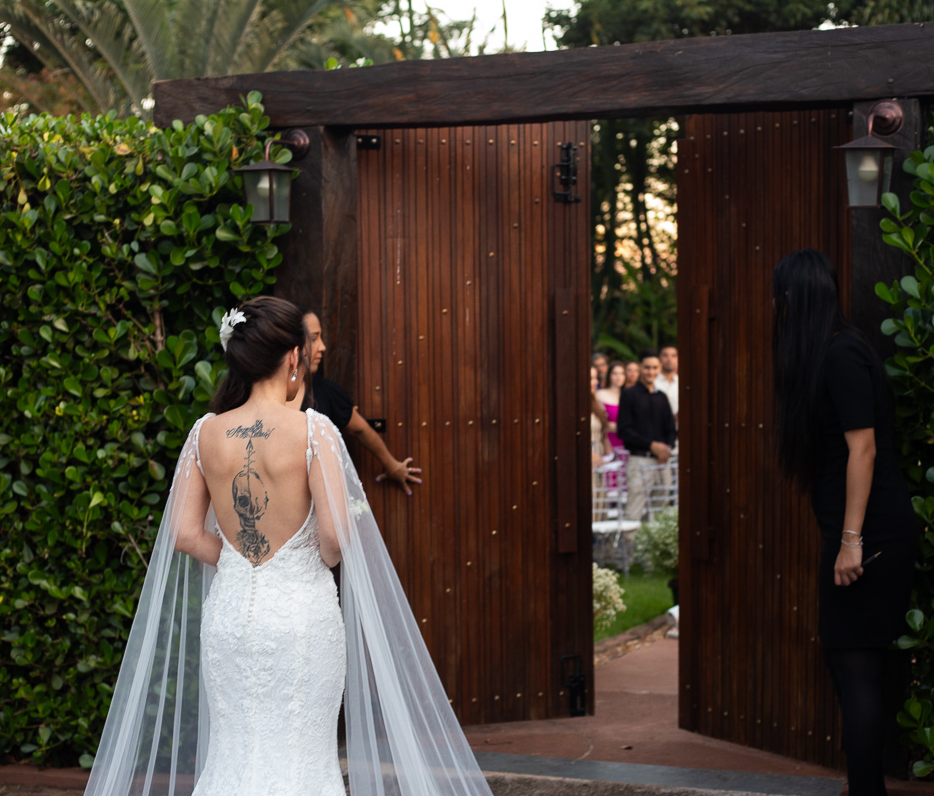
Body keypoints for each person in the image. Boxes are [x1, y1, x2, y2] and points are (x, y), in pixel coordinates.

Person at [83, 296, 491, 796]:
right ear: (293, 357)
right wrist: (299, 560)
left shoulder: (204, 433)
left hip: (230, 617)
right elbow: (335, 538)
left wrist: (239, 562)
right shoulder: (313, 430)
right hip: (301, 617)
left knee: (233, 751)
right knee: (301, 754)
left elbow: (186, 535)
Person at [771, 249, 918, 796]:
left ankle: (865, 790)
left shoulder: (840, 356)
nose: (779, 309)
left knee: (854, 664)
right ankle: (862, 787)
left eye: (782, 298)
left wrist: (850, 542)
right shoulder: (832, 353)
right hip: (859, 533)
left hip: (870, 536)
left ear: (796, 298)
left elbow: (864, 451)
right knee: (850, 662)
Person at [288, 308, 422, 495]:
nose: (322, 346)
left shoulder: (326, 392)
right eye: (313, 338)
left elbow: (361, 429)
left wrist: (392, 466)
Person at [617, 351, 676, 522]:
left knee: (660, 511)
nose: (651, 372)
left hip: (662, 462)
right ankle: (629, 548)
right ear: (640, 368)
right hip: (639, 461)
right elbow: (624, 431)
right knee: (635, 509)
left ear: (659, 369)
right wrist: (651, 445)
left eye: (654, 368)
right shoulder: (629, 395)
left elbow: (671, 429)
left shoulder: (662, 397)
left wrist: (665, 449)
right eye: (647, 368)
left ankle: (655, 548)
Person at [597, 362, 626, 452]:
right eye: (615, 373)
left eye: (622, 373)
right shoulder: (600, 395)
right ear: (609, 375)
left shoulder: (629, 396)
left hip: (626, 442)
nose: (619, 377)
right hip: (607, 441)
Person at [589, 365, 613, 466]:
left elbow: (604, 435)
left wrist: (610, 455)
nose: (596, 382)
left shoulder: (597, 403)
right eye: (591, 379)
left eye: (596, 378)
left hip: (600, 458)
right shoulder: (573, 406)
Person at [655, 345, 680, 418]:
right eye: (665, 355)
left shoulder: (682, 382)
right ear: (659, 358)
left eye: (673, 356)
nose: (669, 359)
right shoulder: (653, 382)